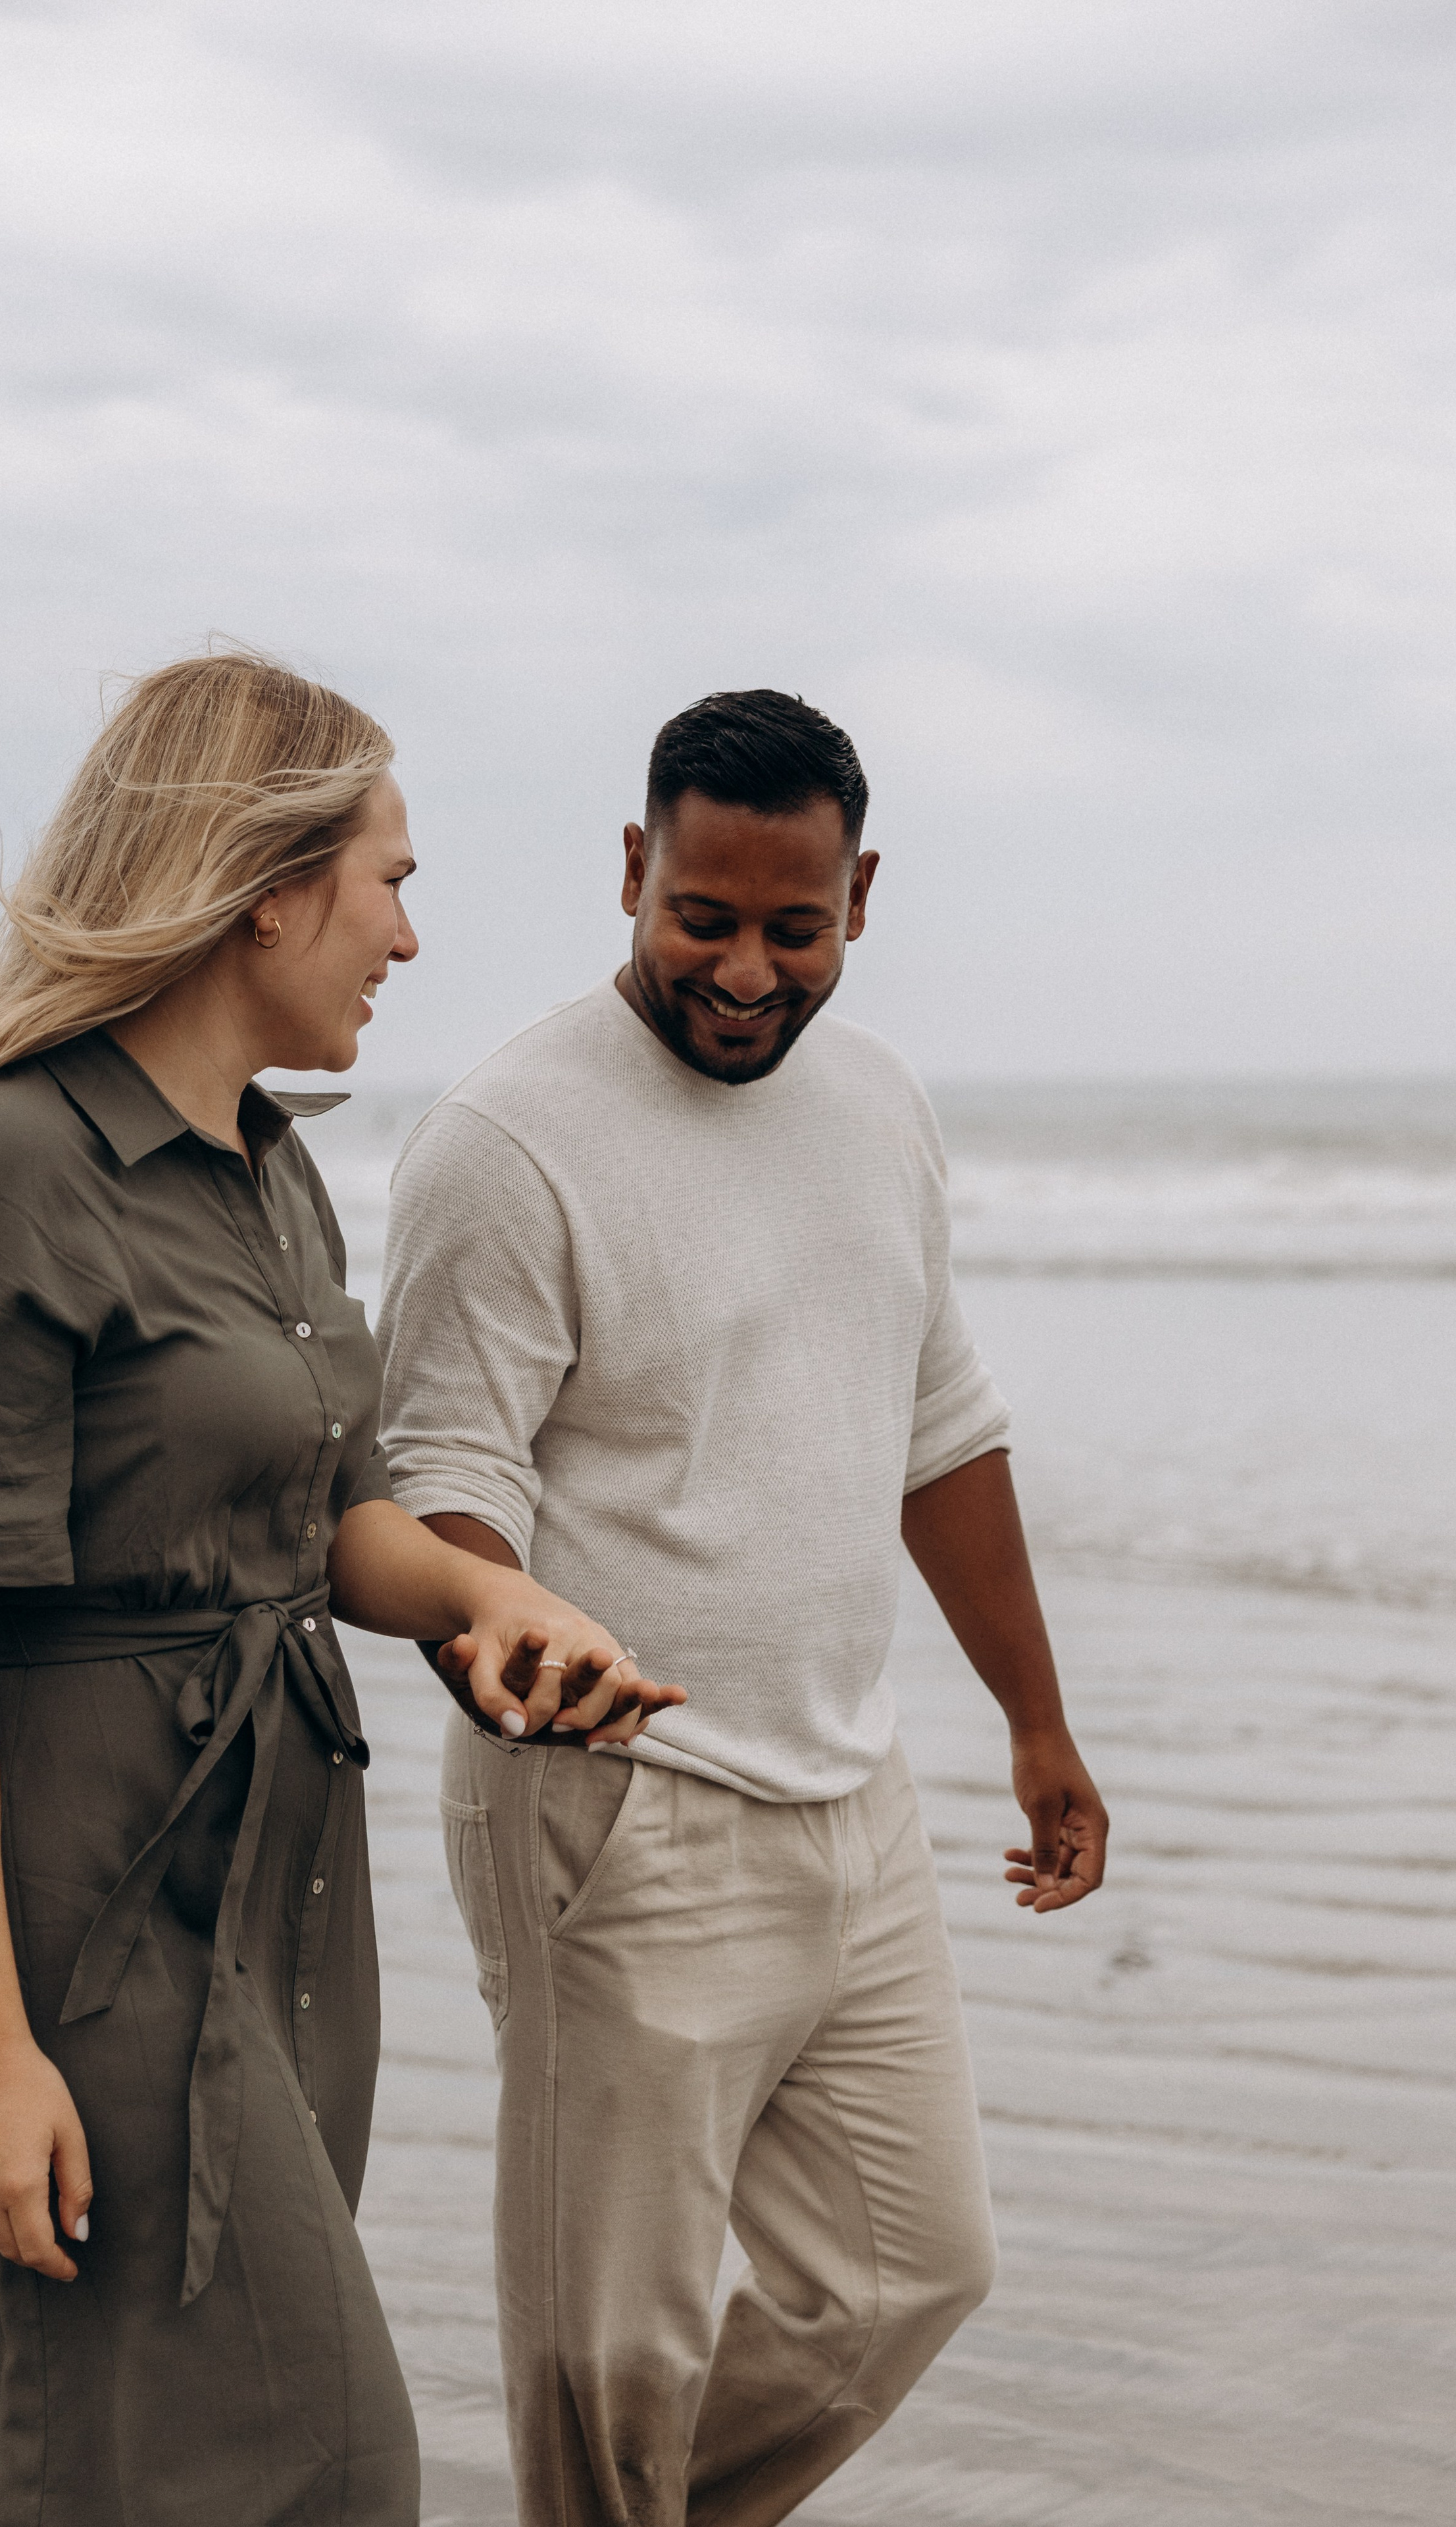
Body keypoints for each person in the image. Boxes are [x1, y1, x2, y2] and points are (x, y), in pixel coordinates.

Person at [0, 652, 680, 2527]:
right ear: (268, 884)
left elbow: (335, 1514)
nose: (410, 935)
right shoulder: (0, 1166)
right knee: (306, 2460)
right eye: (393, 878)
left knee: (136, 2459)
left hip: (274, 1879)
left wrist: (488, 1610)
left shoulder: (270, 1176)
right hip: (74, 1891)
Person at [376, 688, 1111, 2527]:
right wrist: (504, 1637)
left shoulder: (878, 1102)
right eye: (702, 915)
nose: (746, 970)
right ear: (634, 871)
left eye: (796, 927)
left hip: (854, 1805)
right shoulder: (507, 1137)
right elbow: (442, 1479)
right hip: (617, 1811)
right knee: (609, 2355)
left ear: (861, 897)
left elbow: (937, 1426)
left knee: (910, 2271)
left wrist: (1035, 1721)